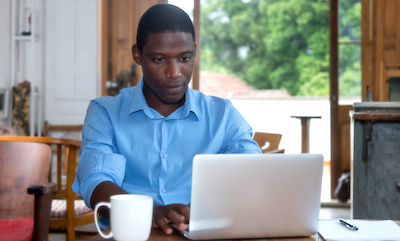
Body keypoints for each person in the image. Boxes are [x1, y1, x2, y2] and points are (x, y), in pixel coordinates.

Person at [72, 4, 261, 235]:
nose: (174, 73)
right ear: (137, 54)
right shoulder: (105, 112)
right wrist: (149, 211)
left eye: (184, 58)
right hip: (132, 234)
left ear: (195, 50)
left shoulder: (223, 114)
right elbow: (94, 179)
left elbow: (252, 173)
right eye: (159, 60)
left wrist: (202, 211)